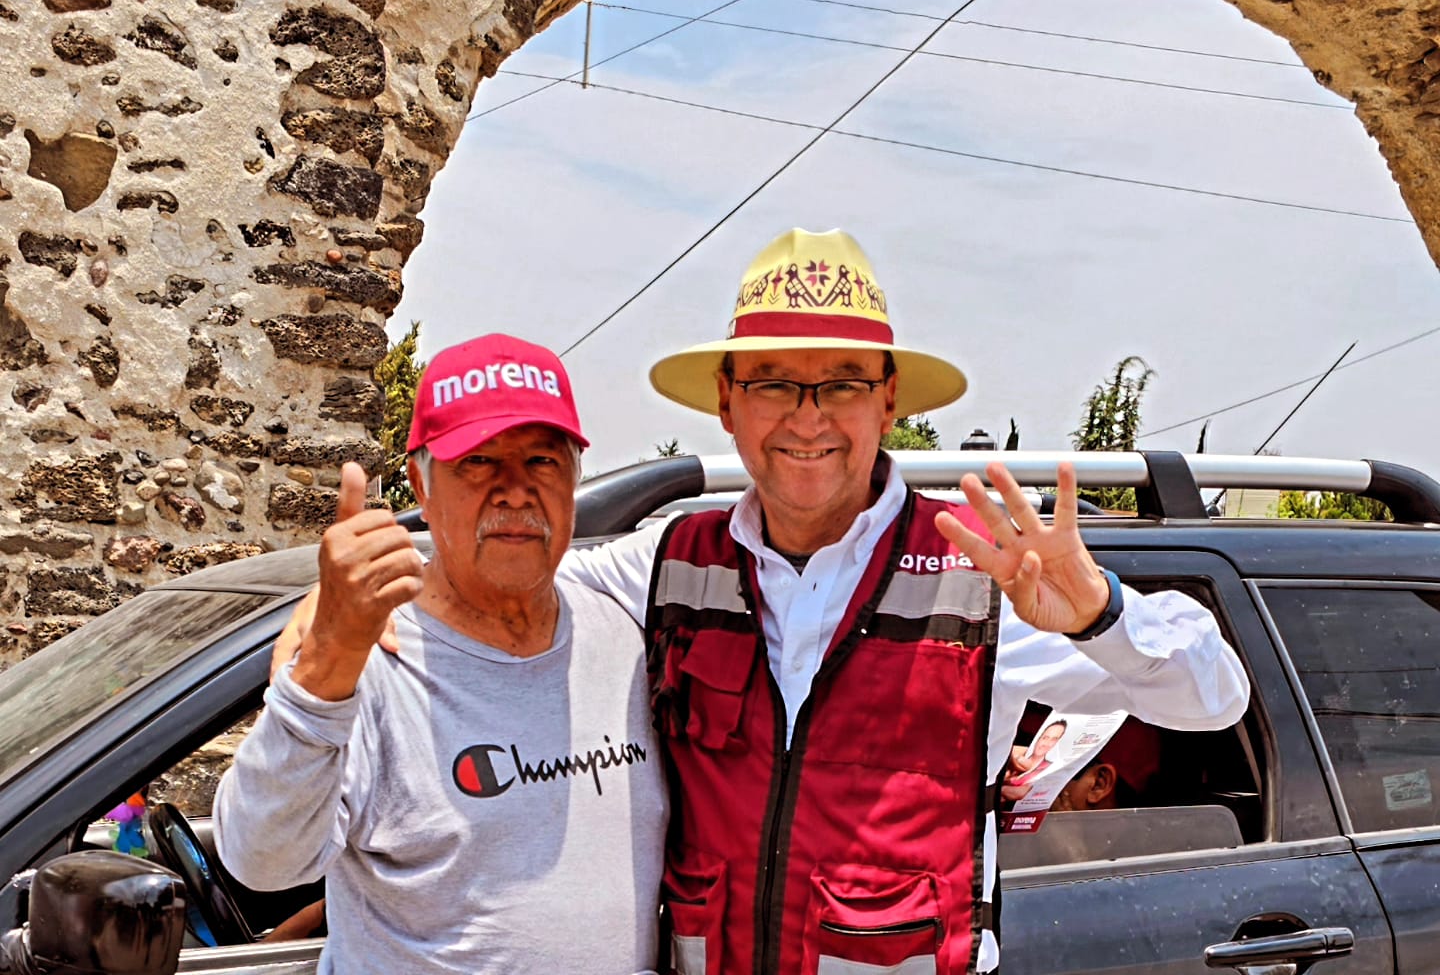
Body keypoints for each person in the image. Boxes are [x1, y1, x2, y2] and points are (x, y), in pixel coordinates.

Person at [276, 227, 1249, 975]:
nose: (808, 417)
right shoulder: (669, 564)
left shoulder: (986, 574)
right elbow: (497, 573)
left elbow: (1216, 698)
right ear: (727, 402)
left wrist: (1098, 611)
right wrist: (330, 618)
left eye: (842, 384)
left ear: (889, 400)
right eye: (775, 383)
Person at [216, 334, 667, 975]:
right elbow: (262, 861)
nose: (515, 491)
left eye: (542, 460)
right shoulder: (369, 656)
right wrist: (327, 657)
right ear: (420, 487)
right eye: (478, 462)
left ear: (574, 478)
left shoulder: (629, 627)